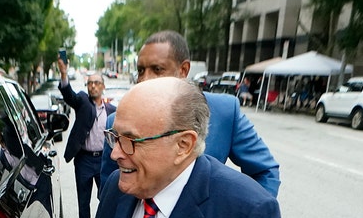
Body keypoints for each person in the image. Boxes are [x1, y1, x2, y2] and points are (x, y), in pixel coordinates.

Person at [93, 77, 281, 218]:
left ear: (183, 145)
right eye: (115, 136)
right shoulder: (114, 187)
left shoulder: (248, 214)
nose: (115, 153)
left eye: (130, 140)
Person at [101, 30, 281, 197]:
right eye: (141, 70)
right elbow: (110, 193)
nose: (144, 79)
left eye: (157, 69)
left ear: (183, 70)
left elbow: (266, 172)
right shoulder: (116, 124)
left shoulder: (225, 111)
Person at [58, 58, 117, 218]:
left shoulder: (112, 110)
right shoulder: (83, 102)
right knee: (83, 203)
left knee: (106, 199)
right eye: (90, 83)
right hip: (84, 160)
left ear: (103, 86)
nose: (92, 86)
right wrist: (63, 73)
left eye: (96, 83)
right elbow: (69, 96)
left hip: (103, 160)